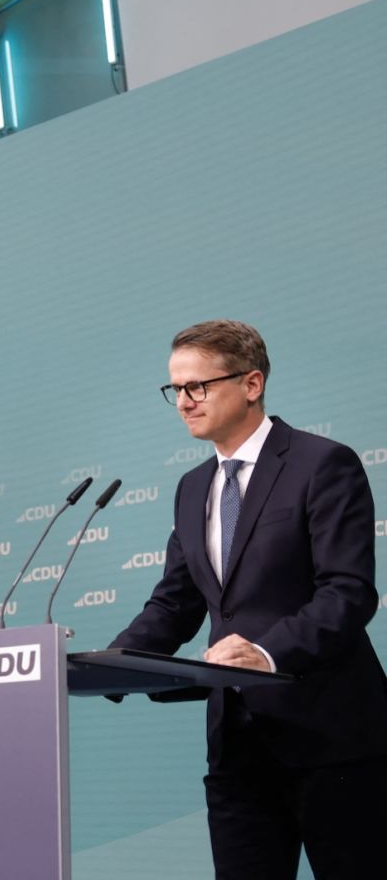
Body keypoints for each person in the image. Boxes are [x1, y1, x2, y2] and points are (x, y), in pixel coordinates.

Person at [110, 319, 387, 879]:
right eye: (175, 390)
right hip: (237, 744)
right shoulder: (193, 488)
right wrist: (108, 665)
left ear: (252, 383)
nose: (184, 402)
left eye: (198, 387)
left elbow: (348, 593)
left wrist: (264, 652)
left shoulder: (322, 463)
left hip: (331, 738)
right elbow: (174, 604)